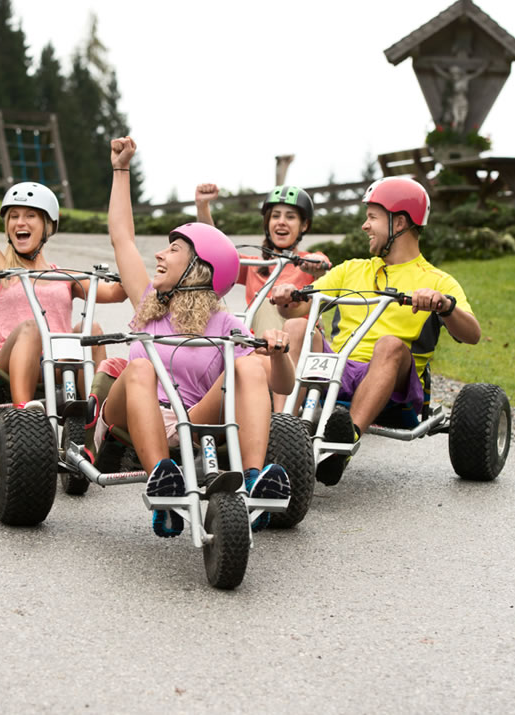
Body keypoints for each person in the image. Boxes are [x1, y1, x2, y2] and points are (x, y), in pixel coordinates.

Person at [105, 136, 295, 538]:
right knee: (140, 367)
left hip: (191, 420)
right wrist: (120, 168)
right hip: (133, 410)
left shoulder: (226, 325)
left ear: (198, 269)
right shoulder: (147, 303)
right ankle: (164, 481)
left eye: (172, 249)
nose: (159, 255)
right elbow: (122, 237)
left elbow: (281, 385)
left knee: (248, 368)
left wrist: (278, 353)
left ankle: (254, 479)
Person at [270, 176, 480, 485]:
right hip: (339, 372)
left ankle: (342, 446)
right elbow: (298, 309)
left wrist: (443, 306)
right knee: (297, 327)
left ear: (400, 221)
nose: (365, 226)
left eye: (372, 217)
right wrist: (287, 296)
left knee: (390, 344)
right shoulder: (351, 269)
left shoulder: (437, 281)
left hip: (396, 388)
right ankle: (281, 426)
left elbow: (472, 334)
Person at [0, 105, 126, 409]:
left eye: (30, 217)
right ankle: (26, 416)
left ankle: (94, 416)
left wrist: (130, 262)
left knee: (95, 331)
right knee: (32, 326)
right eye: (14, 217)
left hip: (61, 363)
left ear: (48, 226)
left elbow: (116, 292)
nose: (20, 223)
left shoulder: (63, 277)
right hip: (12, 363)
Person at [195, 183, 330, 336]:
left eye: (290, 217)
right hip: (260, 346)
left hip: (301, 343)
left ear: (304, 225)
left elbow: (325, 273)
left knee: (265, 304)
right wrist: (202, 205)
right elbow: (216, 251)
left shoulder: (309, 262)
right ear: (267, 223)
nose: (281, 222)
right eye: (275, 216)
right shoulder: (254, 266)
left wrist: (317, 264)